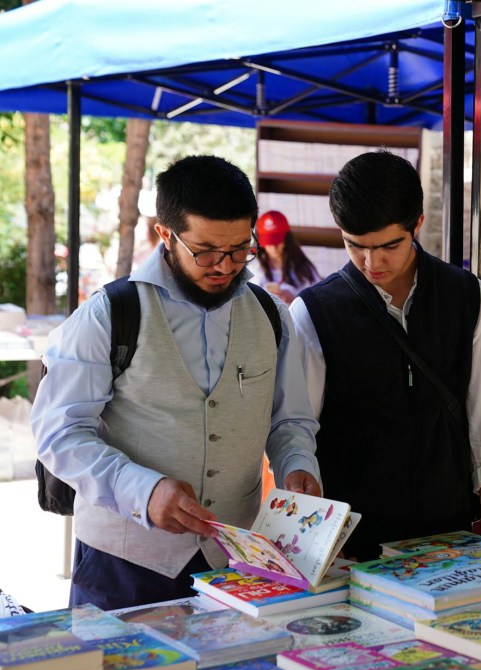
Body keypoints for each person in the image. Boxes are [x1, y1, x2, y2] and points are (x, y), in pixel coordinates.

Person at [30, 155, 322, 611]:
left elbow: (290, 422)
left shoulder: (271, 316)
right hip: (121, 564)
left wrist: (298, 464)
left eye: (240, 249)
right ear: (165, 234)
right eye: (205, 251)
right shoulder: (109, 314)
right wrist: (142, 490)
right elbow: (58, 433)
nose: (225, 266)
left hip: (234, 559)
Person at [291, 150, 481, 561]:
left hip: (449, 538)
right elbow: (297, 434)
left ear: (418, 224)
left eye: (389, 246)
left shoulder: (470, 299)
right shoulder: (313, 312)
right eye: (354, 245)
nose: (371, 262)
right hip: (352, 546)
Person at [249, 210, 322, 305]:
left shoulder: (304, 269)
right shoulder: (254, 269)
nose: (274, 247)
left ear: (287, 239)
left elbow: (319, 300)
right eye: (269, 242)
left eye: (277, 240)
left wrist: (295, 300)